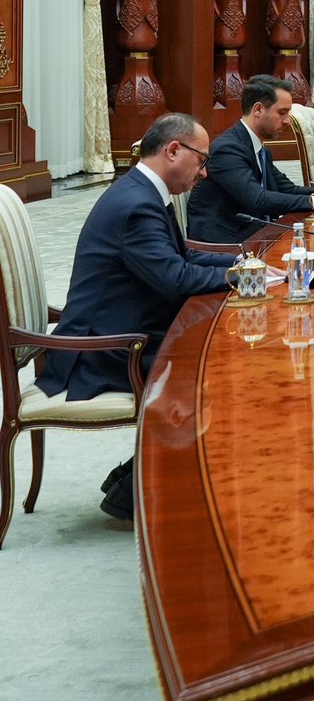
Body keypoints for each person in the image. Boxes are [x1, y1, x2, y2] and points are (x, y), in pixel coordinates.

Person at [35, 114, 242, 522]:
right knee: (212, 367)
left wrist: (243, 263)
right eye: (201, 161)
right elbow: (175, 279)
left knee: (214, 354)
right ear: (173, 150)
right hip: (102, 349)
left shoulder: (142, 191)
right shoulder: (136, 205)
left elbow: (180, 257)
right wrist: (241, 277)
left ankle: (135, 481)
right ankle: (141, 490)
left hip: (124, 329)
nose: (204, 173)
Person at [186, 75, 314, 244]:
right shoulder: (226, 149)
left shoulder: (260, 150)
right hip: (225, 245)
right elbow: (258, 199)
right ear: (258, 110)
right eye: (282, 113)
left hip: (254, 237)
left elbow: (288, 190)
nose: (287, 121)